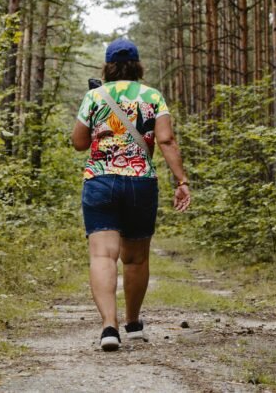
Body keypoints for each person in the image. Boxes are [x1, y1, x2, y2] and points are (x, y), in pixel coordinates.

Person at [71, 38, 191, 352]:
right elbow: (165, 140)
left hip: (100, 180)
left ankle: (109, 327)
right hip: (140, 182)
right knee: (135, 259)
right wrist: (181, 181)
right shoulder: (152, 96)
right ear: (137, 65)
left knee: (102, 255)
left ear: (108, 65)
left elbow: (79, 142)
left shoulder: (94, 96)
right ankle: (133, 323)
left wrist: (99, 132)